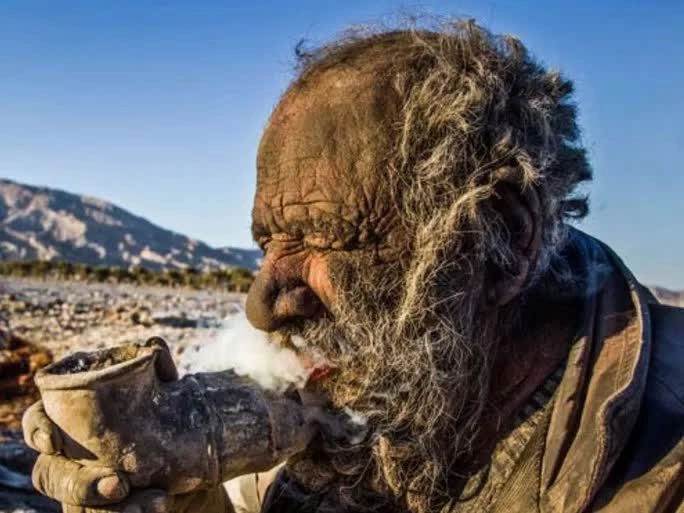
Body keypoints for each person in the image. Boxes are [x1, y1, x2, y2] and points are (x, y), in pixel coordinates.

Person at [22, 20, 684, 513]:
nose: (262, 303)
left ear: (497, 238)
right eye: (267, 242)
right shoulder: (368, 404)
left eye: (321, 236)